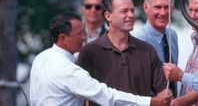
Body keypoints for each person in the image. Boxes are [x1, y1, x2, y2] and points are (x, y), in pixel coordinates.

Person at [30, 12, 171, 106]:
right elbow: (107, 96)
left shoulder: (41, 58)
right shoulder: (67, 70)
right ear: (62, 38)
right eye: (79, 34)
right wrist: (150, 102)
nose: (84, 37)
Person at [78, 0, 171, 106]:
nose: (131, 15)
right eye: (124, 11)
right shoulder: (89, 52)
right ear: (108, 16)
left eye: (132, 10)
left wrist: (165, 96)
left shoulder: (148, 51)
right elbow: (81, 97)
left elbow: (163, 90)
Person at [134, 0, 178, 96]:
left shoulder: (172, 35)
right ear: (145, 7)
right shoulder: (138, 41)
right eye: (157, 7)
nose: (163, 13)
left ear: (172, 8)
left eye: (167, 7)